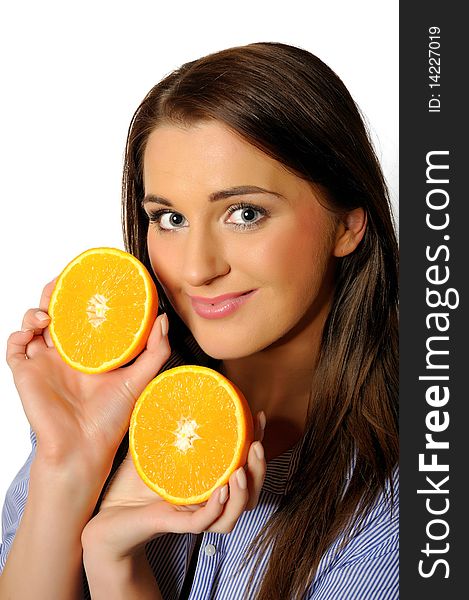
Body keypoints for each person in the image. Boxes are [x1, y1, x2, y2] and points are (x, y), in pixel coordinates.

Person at [0, 42, 398, 599]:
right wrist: (70, 462)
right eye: (169, 218)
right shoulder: (110, 414)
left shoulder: (402, 501)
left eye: (245, 213)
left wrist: (119, 568)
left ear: (348, 225)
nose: (195, 268)